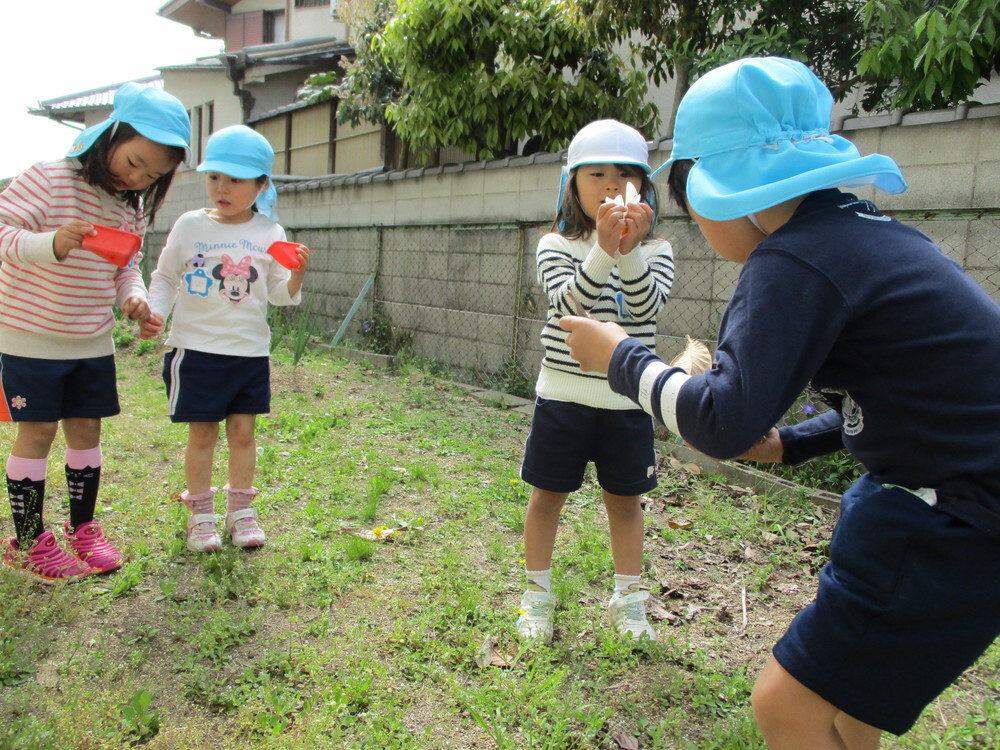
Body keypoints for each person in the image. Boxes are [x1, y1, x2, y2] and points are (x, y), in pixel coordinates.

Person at [559, 57, 1000, 748]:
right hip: (960, 499)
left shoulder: (791, 261)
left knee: (784, 706)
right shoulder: (867, 236)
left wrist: (619, 356)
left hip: (955, 516)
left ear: (716, 190)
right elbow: (905, 394)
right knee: (849, 707)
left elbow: (719, 421)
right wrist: (792, 442)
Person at [0, 82, 191, 582]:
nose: (136, 178)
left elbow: (125, 266)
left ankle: (82, 529)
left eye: (152, 175)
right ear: (110, 134)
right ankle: (27, 539)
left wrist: (136, 298)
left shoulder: (130, 208)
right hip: (30, 335)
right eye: (132, 162)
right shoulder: (48, 179)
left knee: (87, 431)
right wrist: (51, 244)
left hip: (91, 340)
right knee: (38, 432)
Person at [516, 119, 675, 642]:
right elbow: (568, 305)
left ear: (643, 186)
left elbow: (649, 306)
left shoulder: (658, 250)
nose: (611, 185)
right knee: (546, 498)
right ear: (572, 183)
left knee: (626, 502)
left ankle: (628, 600)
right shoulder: (554, 244)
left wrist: (627, 248)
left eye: (625, 174)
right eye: (597, 174)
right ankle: (536, 595)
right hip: (561, 395)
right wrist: (604, 248)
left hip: (628, 401)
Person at [141, 125, 309, 553]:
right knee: (202, 435)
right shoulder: (189, 225)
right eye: (215, 177)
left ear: (261, 185)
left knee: (244, 433)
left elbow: (276, 295)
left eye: (235, 180)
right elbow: (164, 276)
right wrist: (155, 310)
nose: (223, 188)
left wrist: (296, 277)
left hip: (248, 353)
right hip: (196, 351)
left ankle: (241, 511)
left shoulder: (271, 232)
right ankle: (200, 516)